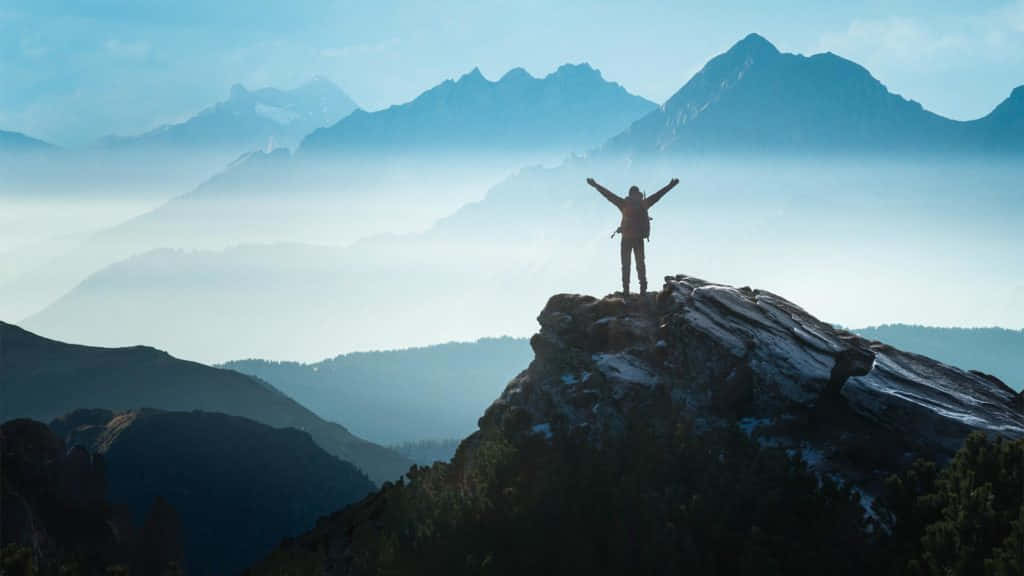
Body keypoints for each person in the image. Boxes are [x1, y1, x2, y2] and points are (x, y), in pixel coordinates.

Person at [587, 177, 679, 296]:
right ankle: (643, 291)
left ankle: (626, 292)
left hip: (626, 239)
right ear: (639, 194)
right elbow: (658, 195)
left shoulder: (624, 203)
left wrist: (596, 185)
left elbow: (609, 195)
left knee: (626, 265)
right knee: (640, 265)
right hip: (638, 239)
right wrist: (670, 185)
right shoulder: (644, 204)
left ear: (630, 194)